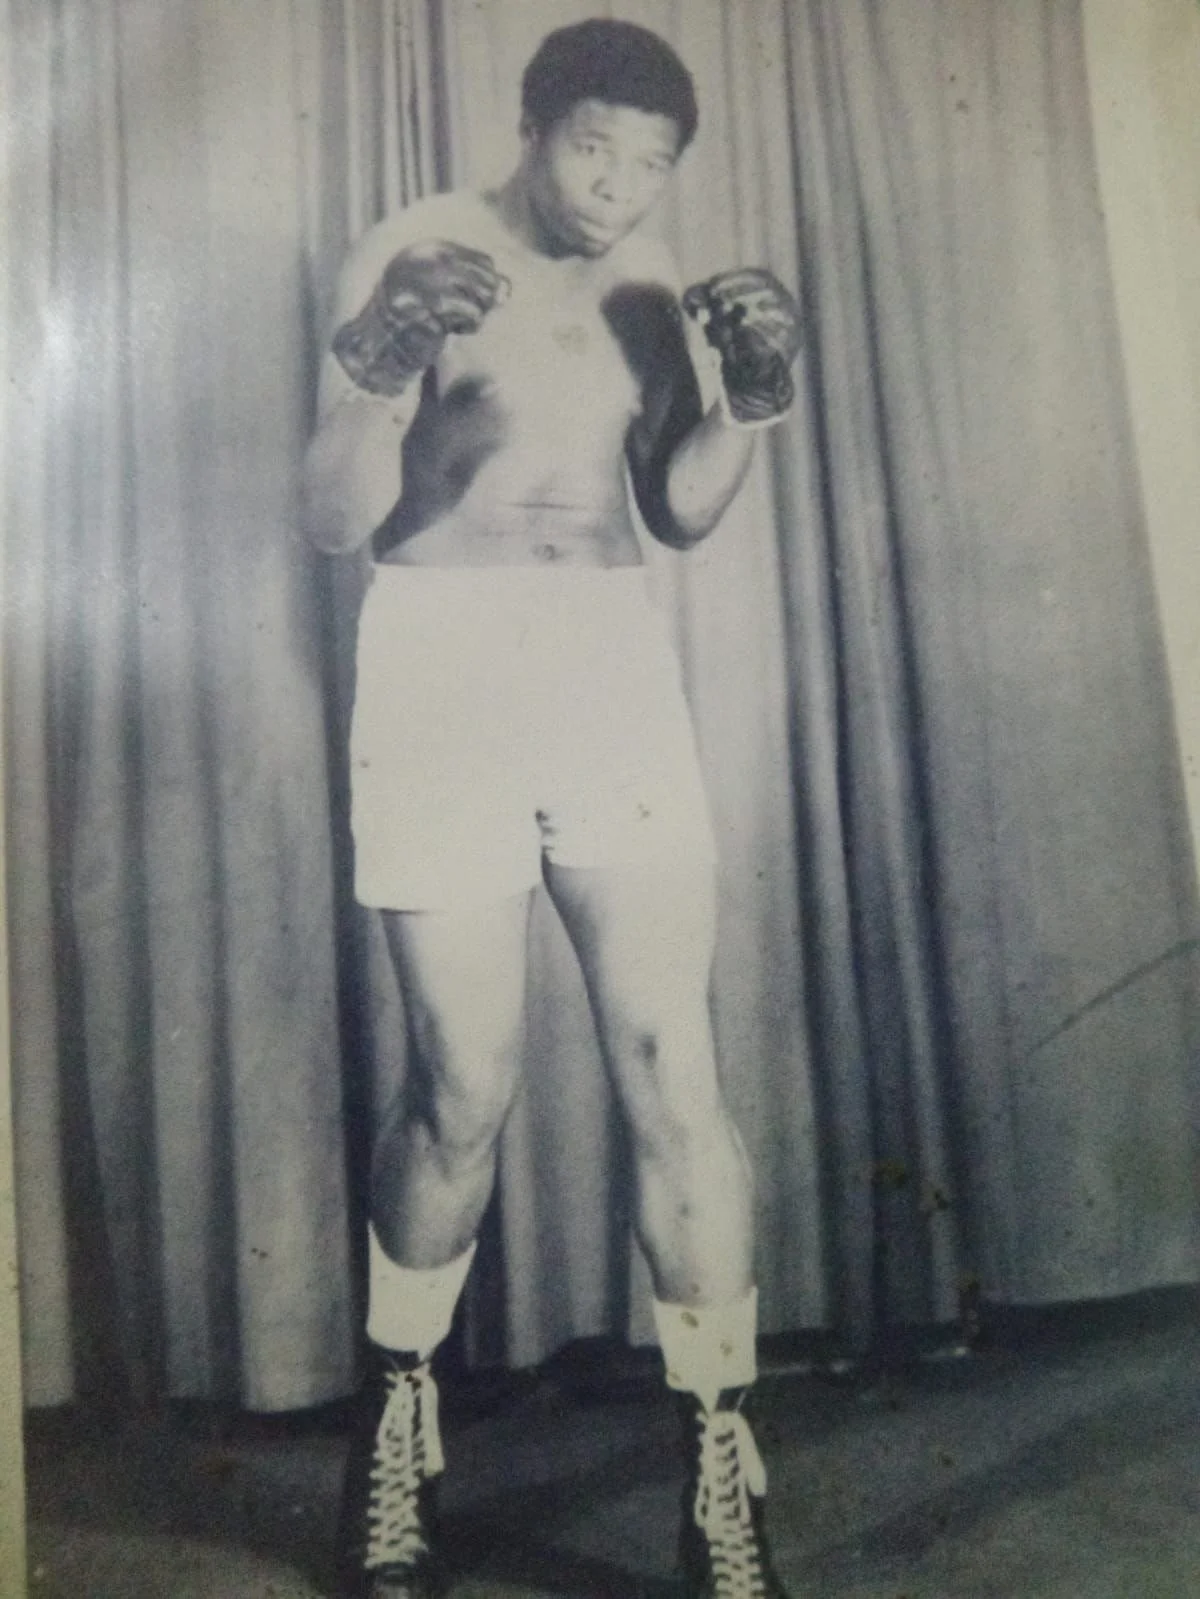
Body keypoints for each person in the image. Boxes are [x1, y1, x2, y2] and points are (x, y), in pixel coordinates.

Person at [302, 18, 803, 1598]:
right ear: (530, 131)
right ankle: (400, 1412)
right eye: (595, 149)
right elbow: (332, 519)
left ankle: (722, 1458)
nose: (618, 188)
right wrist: (377, 366)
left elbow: (677, 508)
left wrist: (750, 405)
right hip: (439, 656)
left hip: (604, 661)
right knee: (463, 1084)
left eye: (651, 165)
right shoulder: (415, 249)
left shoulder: (652, 284)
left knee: (672, 1065)